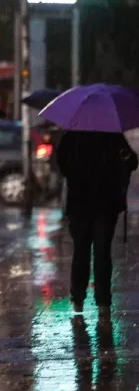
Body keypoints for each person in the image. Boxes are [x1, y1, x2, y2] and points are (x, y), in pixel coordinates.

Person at [57, 131, 138, 317]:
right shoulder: (102, 135)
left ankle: (90, 300)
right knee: (91, 252)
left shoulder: (80, 135)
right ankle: (89, 300)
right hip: (91, 204)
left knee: (91, 252)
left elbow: (132, 161)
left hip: (97, 204)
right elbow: (63, 164)